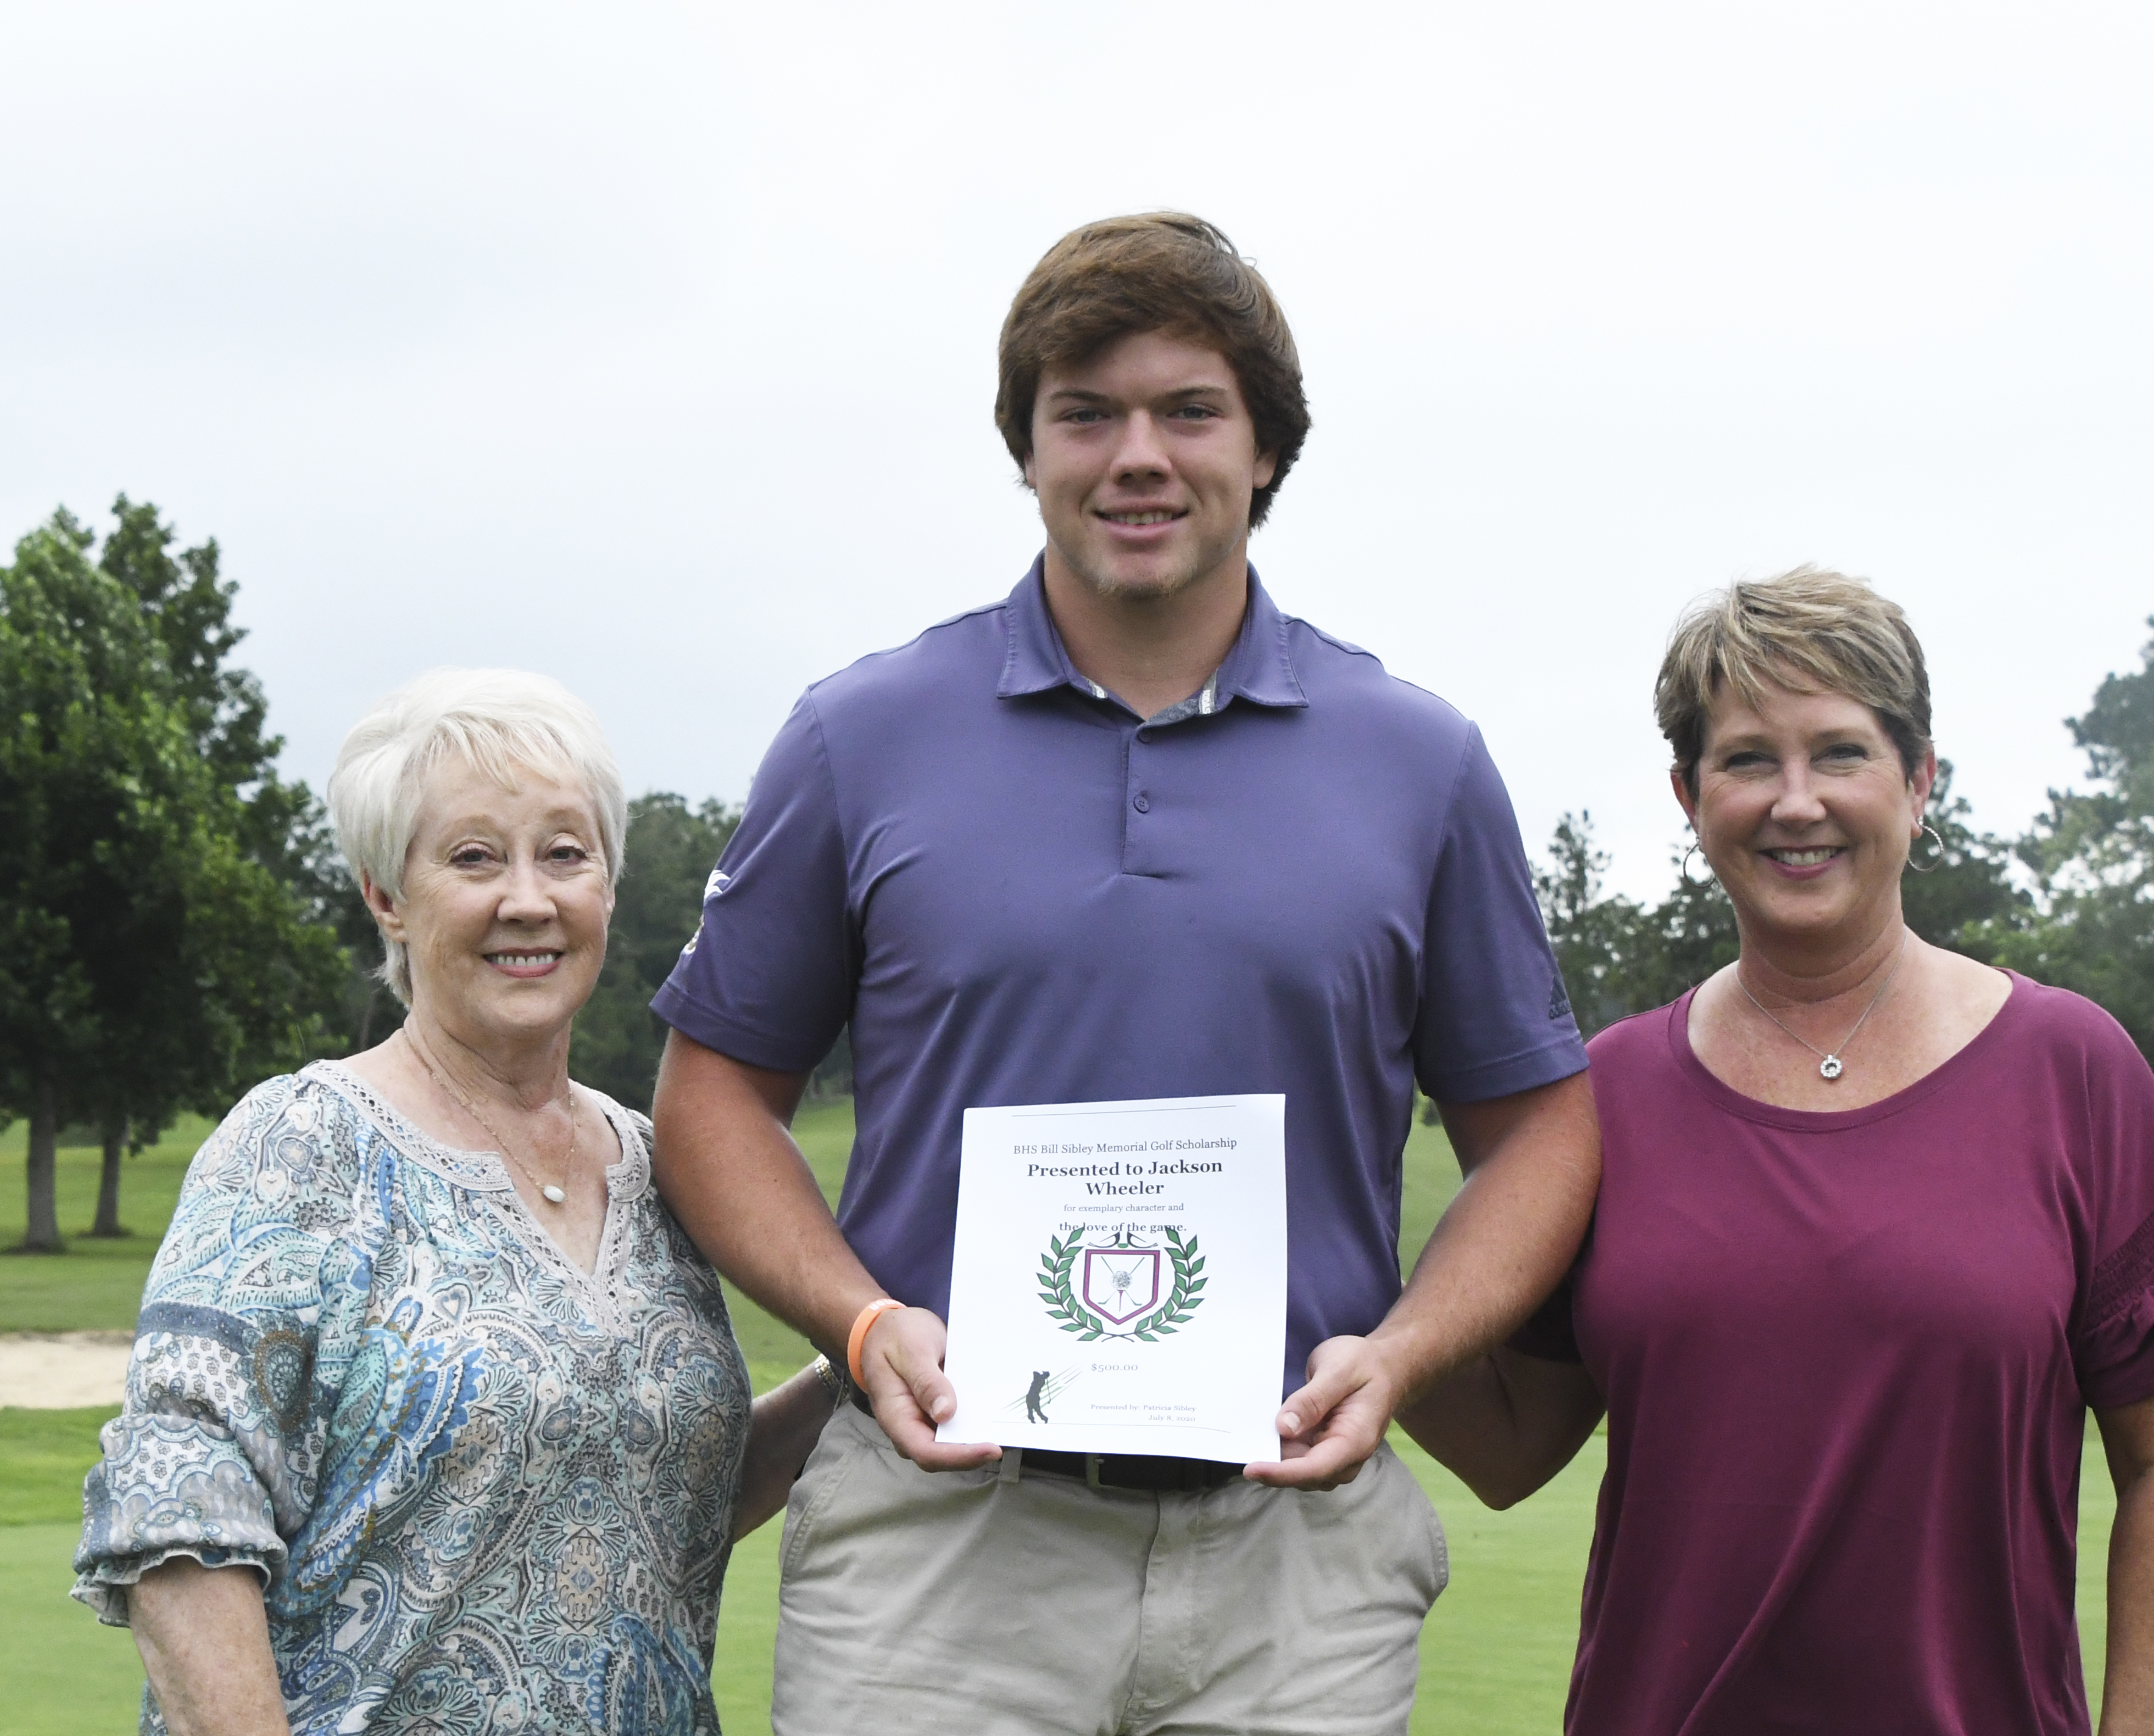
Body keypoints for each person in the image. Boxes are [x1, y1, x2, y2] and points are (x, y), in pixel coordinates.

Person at [647, 212, 1600, 1735]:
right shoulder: (860, 735)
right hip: (938, 1548)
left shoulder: (1419, 761)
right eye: (1084, 413)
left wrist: (1409, 1351)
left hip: (1295, 1555)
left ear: (1267, 451)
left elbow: (1543, 1130)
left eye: (1189, 410)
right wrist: (862, 1319)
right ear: (1027, 449)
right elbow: (710, 1099)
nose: (1136, 455)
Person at [1400, 569, 2154, 1736]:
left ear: (1920, 781)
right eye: (1749, 760)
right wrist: (1322, 1269)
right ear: (1689, 795)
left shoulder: (2073, 1069)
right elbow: (1511, 1446)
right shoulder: (1605, 1095)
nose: (1797, 801)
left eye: (1842, 754)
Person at [73, 669, 832, 1736]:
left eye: (565, 854)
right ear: (387, 894)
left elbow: (670, 1497)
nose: (529, 898)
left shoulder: (661, 1170)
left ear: (608, 884)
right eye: (474, 858)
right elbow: (178, 1498)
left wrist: (859, 1360)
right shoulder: (301, 1145)